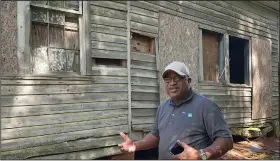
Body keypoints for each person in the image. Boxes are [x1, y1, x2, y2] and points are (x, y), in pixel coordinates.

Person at [118, 61, 233, 160]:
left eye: (177, 78)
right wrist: (135, 145)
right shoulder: (163, 107)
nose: (172, 83)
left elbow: (226, 141)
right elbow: (155, 136)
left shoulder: (206, 106)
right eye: (168, 79)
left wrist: (199, 155)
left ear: (188, 81)